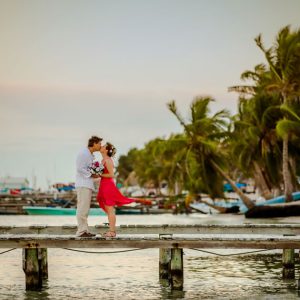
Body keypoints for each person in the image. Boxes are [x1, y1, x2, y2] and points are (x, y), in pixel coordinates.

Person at [97, 143, 134, 238]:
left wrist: (99, 174)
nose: (101, 146)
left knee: (110, 209)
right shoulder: (103, 160)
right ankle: (111, 230)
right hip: (104, 185)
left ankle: (112, 232)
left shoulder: (108, 161)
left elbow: (111, 175)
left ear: (106, 150)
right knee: (109, 209)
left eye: (104, 146)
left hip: (108, 186)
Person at [75, 136, 102, 237]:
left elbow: (87, 169)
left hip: (87, 184)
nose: (100, 146)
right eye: (99, 143)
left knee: (85, 209)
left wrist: (95, 174)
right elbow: (80, 168)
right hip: (83, 184)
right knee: (82, 208)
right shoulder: (83, 153)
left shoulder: (89, 154)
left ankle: (84, 230)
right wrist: (92, 174)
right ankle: (81, 231)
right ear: (94, 143)